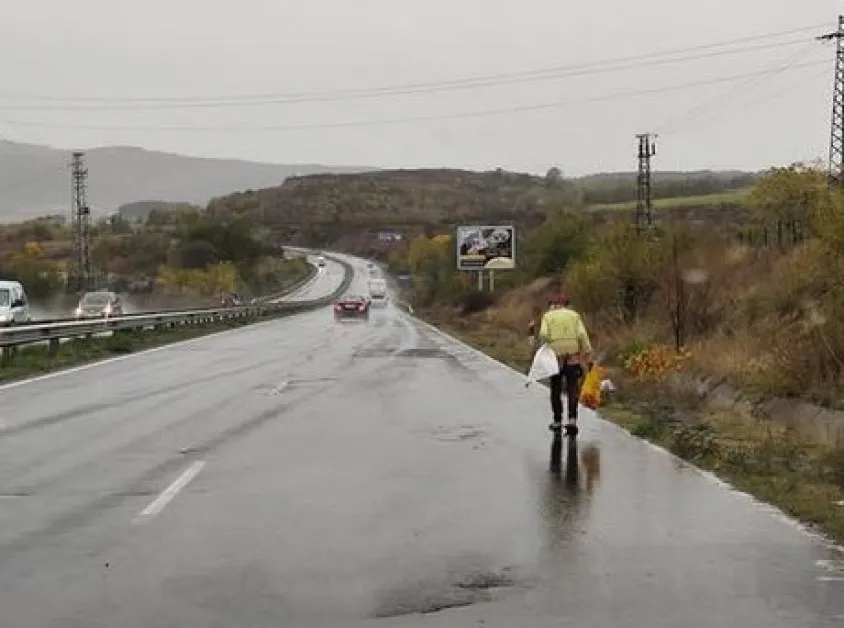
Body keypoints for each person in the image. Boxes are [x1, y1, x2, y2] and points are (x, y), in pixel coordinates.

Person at [528, 293, 593, 435]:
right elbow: (582, 335)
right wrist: (587, 352)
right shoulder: (574, 316)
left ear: (552, 305)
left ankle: (557, 421)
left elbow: (544, 334)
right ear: (567, 304)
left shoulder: (548, 316)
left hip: (555, 359)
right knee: (572, 389)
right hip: (572, 357)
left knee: (556, 389)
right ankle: (572, 420)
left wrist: (549, 344)